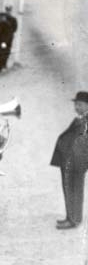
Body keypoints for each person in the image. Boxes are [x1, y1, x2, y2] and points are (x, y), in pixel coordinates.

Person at [50, 91, 88, 230]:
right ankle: (70, 217)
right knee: (69, 189)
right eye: (76, 104)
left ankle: (74, 219)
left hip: (76, 162)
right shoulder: (80, 118)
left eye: (80, 104)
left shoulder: (85, 121)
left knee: (74, 190)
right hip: (69, 161)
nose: (77, 107)